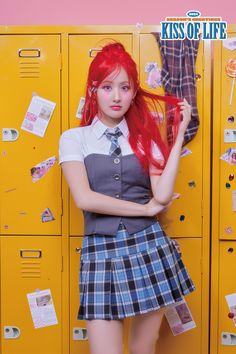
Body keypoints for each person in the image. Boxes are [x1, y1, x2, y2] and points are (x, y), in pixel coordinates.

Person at [59, 42, 196, 354]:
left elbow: (161, 194)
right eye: (107, 87)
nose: (117, 97)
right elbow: (84, 198)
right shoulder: (74, 139)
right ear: (93, 90)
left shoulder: (146, 138)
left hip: (149, 249)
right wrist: (145, 208)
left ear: (135, 92)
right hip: (100, 255)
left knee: (142, 350)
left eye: (125, 87)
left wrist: (177, 135)